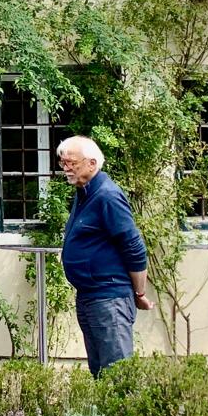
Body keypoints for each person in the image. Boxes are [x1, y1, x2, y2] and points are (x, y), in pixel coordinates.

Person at [58, 136, 152, 375]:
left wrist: (139, 292)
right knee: (99, 371)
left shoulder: (107, 195)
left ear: (91, 163)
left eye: (72, 163)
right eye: (63, 163)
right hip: (91, 295)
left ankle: (121, 414)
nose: (66, 168)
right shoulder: (85, 193)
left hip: (109, 298)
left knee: (117, 373)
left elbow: (134, 247)